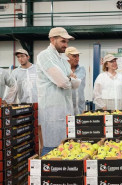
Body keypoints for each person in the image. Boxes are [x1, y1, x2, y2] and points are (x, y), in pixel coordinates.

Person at [37, 27, 81, 155]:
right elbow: (62, 81)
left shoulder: (63, 59)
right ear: (52, 39)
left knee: (65, 150)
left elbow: (76, 83)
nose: (66, 45)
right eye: (63, 41)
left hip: (65, 110)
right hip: (52, 111)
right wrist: (69, 79)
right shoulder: (44, 56)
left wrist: (68, 79)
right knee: (51, 151)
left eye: (67, 42)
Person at [65, 47, 86, 115]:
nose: (77, 59)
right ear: (66, 57)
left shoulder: (81, 69)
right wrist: (70, 78)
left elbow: (76, 82)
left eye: (78, 56)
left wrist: (68, 78)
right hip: (66, 107)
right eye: (74, 56)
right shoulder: (62, 69)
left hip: (80, 107)